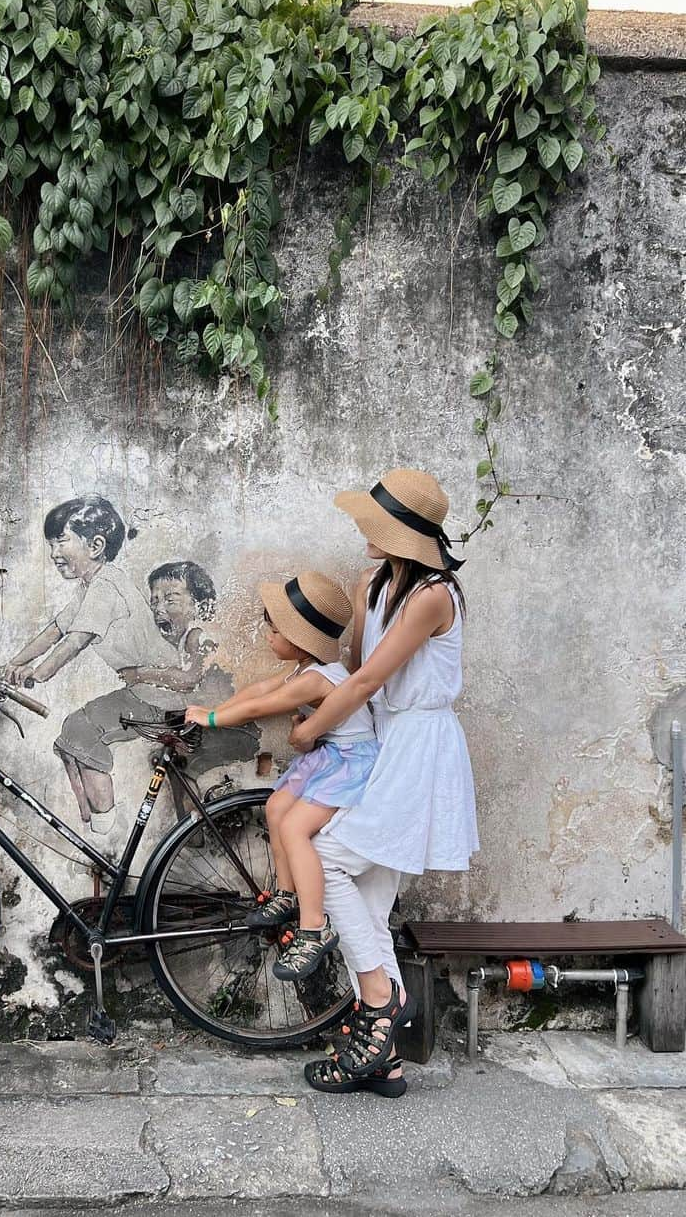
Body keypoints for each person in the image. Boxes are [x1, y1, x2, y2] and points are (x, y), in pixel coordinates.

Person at [292, 469, 478, 1099]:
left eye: (373, 526)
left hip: (417, 750)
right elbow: (350, 671)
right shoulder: (374, 583)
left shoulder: (433, 594)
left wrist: (314, 727)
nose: (362, 533)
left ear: (401, 536)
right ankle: (386, 1060)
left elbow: (368, 680)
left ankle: (378, 996)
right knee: (367, 910)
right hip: (385, 741)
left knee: (327, 857)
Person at [185, 572, 379, 981]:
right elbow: (256, 693)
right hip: (327, 755)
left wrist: (215, 718)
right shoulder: (303, 670)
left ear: (300, 637)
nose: (269, 635)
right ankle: (287, 894)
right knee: (276, 808)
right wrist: (213, 709)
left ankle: (314, 927)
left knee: (294, 829)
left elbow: (262, 708)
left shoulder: (315, 679)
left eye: (275, 630)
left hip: (348, 762)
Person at [0, 495, 180, 834]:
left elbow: (75, 640)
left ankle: (106, 833)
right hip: (144, 692)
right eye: (51, 544)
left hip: (160, 695)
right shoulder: (90, 586)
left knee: (81, 732)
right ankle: (92, 825)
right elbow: (55, 630)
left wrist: (36, 675)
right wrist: (11, 663)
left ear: (95, 545)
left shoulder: (107, 586)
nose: (54, 553)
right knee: (71, 734)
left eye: (61, 542)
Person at [118, 561, 260, 820]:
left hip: (231, 730)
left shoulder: (198, 635)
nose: (159, 609)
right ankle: (193, 831)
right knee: (172, 761)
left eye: (170, 600)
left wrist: (140, 674)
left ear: (200, 606)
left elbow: (189, 680)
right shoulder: (179, 642)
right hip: (210, 725)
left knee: (183, 764)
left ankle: (205, 825)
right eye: (155, 601)